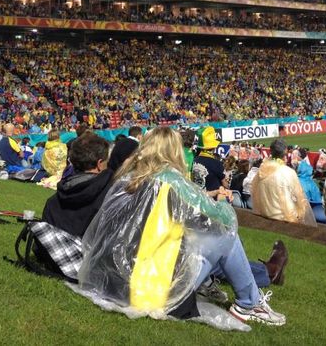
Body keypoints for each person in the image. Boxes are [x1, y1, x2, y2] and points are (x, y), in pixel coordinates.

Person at [77, 127, 286, 326]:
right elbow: (223, 220)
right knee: (226, 236)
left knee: (199, 239)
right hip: (153, 291)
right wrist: (221, 200)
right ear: (174, 150)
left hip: (115, 283)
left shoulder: (127, 178)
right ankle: (249, 304)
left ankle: (239, 294)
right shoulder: (171, 180)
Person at [34, 133, 114, 279]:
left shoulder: (54, 201)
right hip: (88, 266)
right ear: (99, 163)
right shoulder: (109, 195)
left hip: (57, 261)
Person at [250, 139, 316, 225]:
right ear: (285, 153)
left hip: (265, 214)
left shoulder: (261, 171)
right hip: (284, 219)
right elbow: (300, 200)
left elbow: (254, 194)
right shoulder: (288, 172)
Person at [192, 126, 228, 192]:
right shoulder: (216, 163)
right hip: (213, 200)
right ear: (214, 147)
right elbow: (226, 184)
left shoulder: (193, 160)